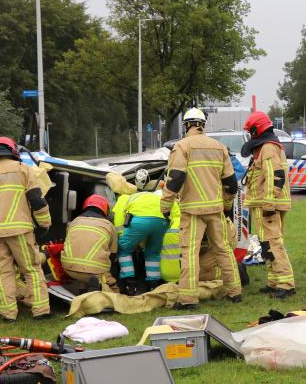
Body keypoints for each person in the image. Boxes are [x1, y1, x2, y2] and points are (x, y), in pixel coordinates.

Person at [162, 107, 240, 309]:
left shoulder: (182, 147)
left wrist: (165, 206)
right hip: (215, 209)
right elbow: (231, 183)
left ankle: (188, 299)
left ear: (187, 125)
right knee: (223, 250)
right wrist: (226, 204)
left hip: (192, 211)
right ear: (203, 125)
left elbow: (175, 178)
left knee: (190, 253)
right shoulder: (219, 147)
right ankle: (235, 292)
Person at [0, 137, 51, 320]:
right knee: (31, 269)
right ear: (13, 151)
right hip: (21, 231)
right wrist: (44, 224)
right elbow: (37, 200)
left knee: (3, 273)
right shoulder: (23, 170)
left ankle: (8, 314)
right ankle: (41, 311)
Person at [242, 111, 296, 298]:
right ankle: (274, 281)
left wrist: (269, 202)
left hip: (268, 204)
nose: (250, 135)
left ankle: (286, 284)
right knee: (267, 245)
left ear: (258, 129)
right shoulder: (267, 147)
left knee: (273, 244)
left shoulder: (268, 148)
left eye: (251, 131)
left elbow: (275, 175)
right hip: (266, 203)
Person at [114, 187, 168, 295]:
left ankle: (130, 283)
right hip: (162, 220)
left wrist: (123, 238)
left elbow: (119, 221)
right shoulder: (150, 196)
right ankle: (153, 286)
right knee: (153, 254)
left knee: (124, 250)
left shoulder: (123, 198)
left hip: (141, 221)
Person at [61, 195, 118, 293]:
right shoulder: (109, 226)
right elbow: (113, 254)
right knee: (113, 288)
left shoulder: (74, 222)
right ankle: (96, 287)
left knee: (83, 262)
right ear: (105, 209)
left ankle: (82, 288)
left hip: (69, 269)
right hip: (95, 272)